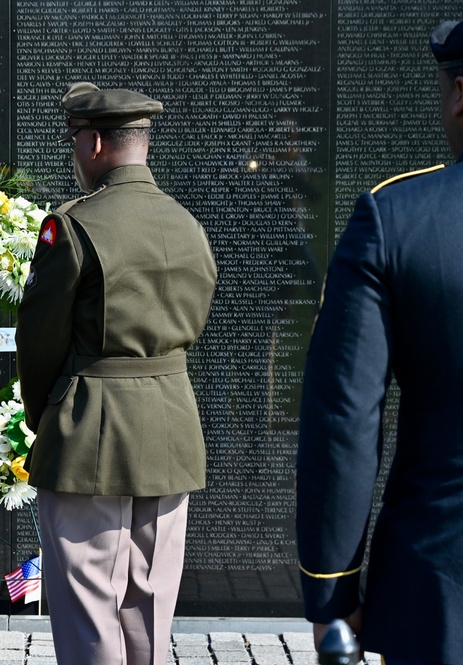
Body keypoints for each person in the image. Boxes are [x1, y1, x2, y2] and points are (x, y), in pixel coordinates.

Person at [15, 82, 217, 665]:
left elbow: (41, 337)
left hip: (89, 429)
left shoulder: (73, 226)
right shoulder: (186, 224)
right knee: (151, 601)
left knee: (88, 601)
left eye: (75, 141)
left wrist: (44, 415)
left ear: (96, 142)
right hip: (171, 425)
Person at [295, 20, 463, 664]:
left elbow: (344, 420)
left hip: (440, 588)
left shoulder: (396, 219)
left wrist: (331, 594)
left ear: (460, 92)